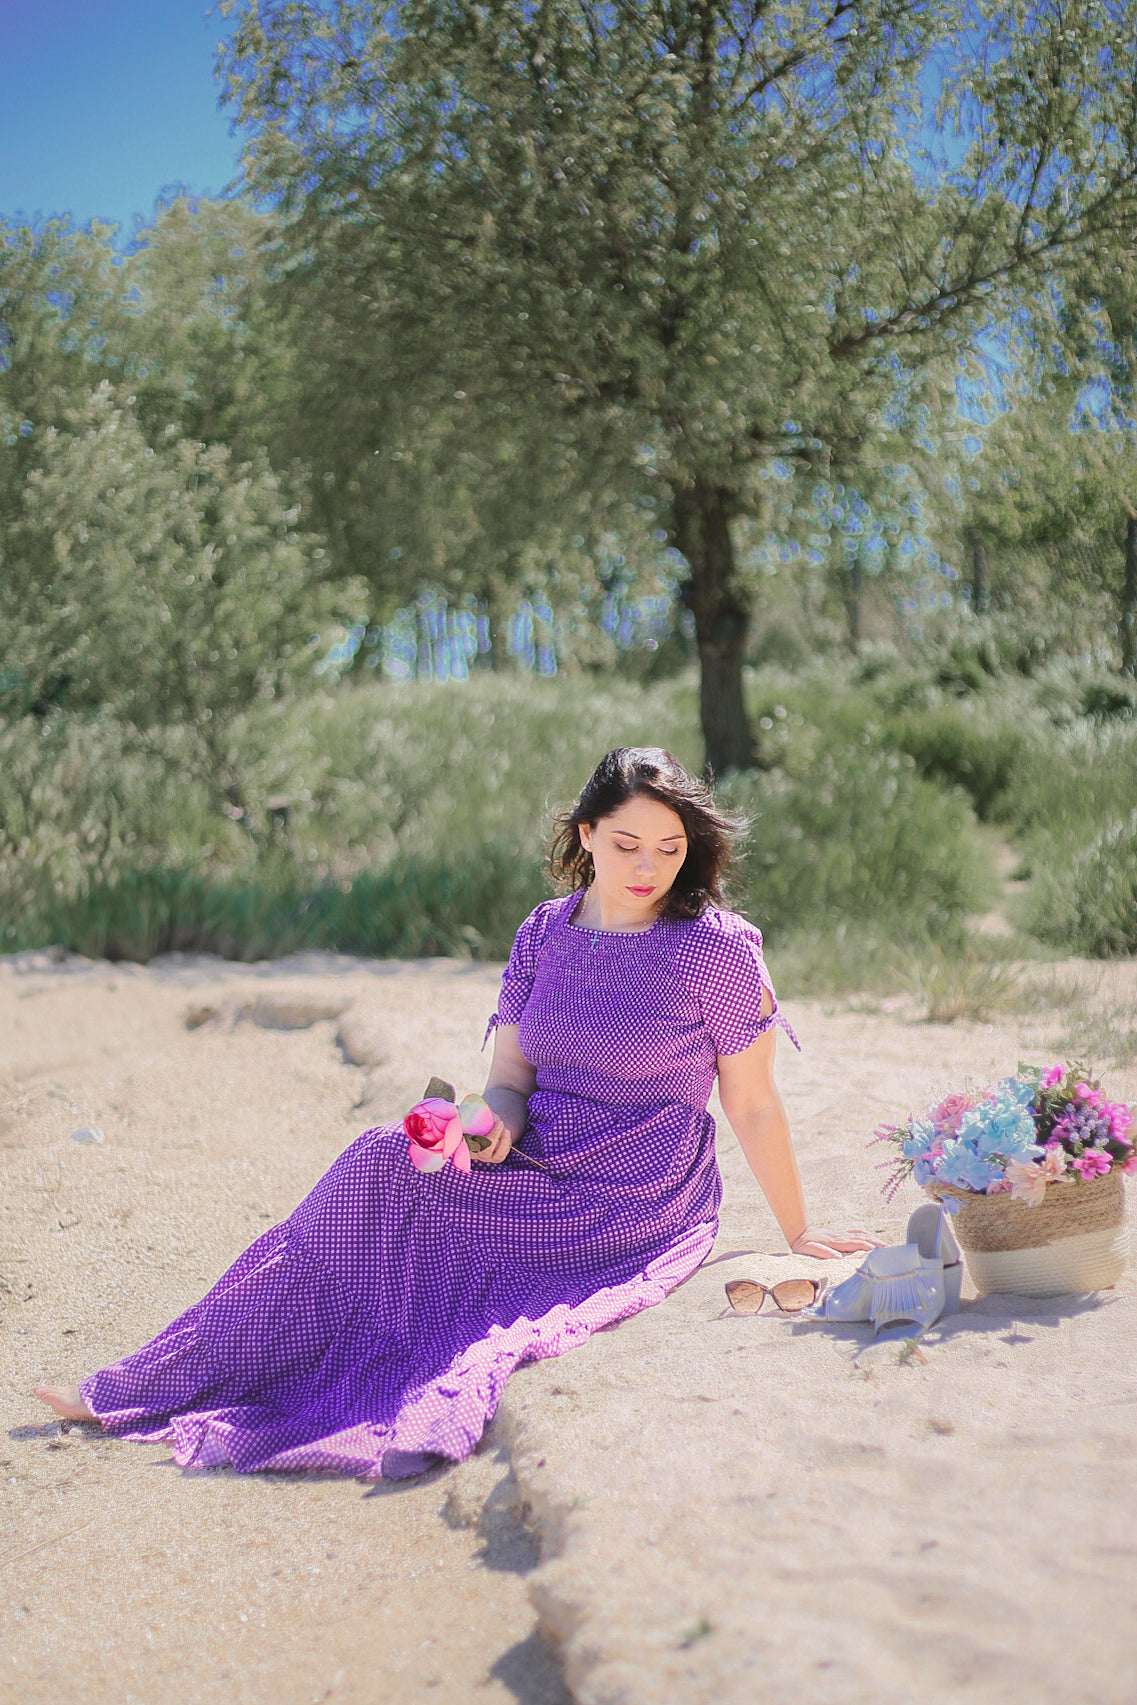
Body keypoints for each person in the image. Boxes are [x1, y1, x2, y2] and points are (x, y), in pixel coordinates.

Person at [35, 746, 874, 1476]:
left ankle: (172, 1384)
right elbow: (508, 1076)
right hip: (534, 1154)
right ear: (585, 835)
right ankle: (151, 1380)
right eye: (626, 843)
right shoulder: (543, 933)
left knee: (423, 1256)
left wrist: (798, 1231)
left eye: (668, 845)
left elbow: (753, 1102)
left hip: (633, 1196)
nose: (649, 864)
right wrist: (488, 1121)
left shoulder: (717, 947)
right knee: (378, 1162)